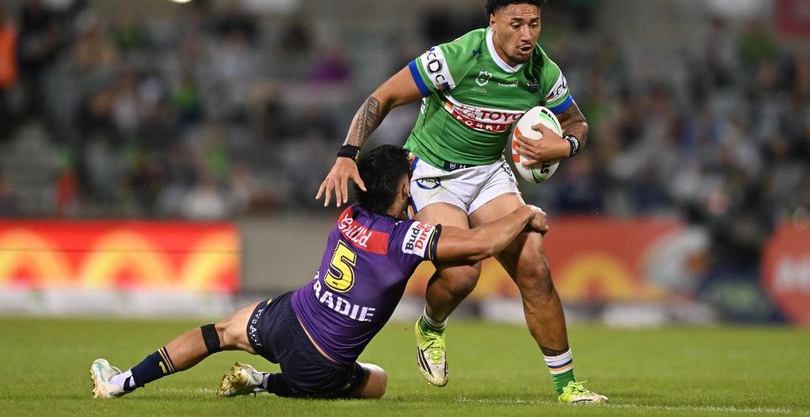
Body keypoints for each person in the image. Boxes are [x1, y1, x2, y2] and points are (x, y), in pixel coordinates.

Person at [317, 0, 607, 404]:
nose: (527, 35)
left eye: (535, 24)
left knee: (534, 263)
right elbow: (383, 97)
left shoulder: (543, 71)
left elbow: (577, 122)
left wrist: (564, 144)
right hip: (432, 174)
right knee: (462, 272)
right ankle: (431, 326)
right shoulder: (456, 58)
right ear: (493, 22)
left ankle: (568, 386)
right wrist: (347, 152)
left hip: (488, 173)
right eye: (516, 24)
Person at [90, 145, 549, 400]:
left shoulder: (350, 214)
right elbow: (482, 243)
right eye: (407, 191)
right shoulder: (405, 238)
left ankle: (122, 382)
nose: (412, 198)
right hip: (322, 363)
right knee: (379, 381)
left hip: (288, 317)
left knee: (218, 332)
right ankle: (264, 383)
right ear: (395, 193)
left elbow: (384, 183)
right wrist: (525, 213)